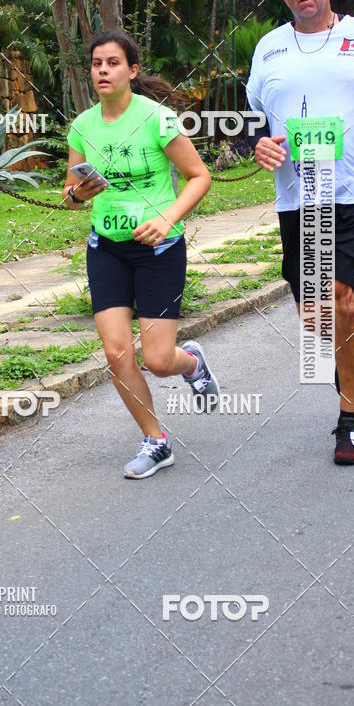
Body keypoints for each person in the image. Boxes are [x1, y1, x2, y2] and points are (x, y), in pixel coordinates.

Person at [246, 0, 354, 465]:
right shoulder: (270, 48)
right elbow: (252, 117)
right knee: (315, 316)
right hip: (300, 197)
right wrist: (258, 143)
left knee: (348, 301)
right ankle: (347, 367)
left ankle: (350, 420)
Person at [62, 29, 219, 479]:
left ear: (131, 71)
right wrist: (78, 194)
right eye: (97, 64)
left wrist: (166, 219)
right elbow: (69, 194)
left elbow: (199, 176)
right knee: (116, 353)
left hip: (158, 249)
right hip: (107, 248)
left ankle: (191, 363)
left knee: (158, 360)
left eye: (113, 63)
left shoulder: (157, 119)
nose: (103, 71)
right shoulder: (83, 126)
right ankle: (156, 440)